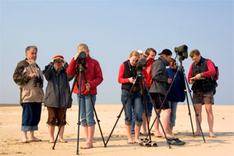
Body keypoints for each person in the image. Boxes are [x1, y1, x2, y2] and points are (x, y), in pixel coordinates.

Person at [66, 43, 103, 149]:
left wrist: (91, 84)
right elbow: (69, 72)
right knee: (83, 117)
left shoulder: (94, 62)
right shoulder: (77, 62)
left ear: (88, 51)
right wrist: (74, 59)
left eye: (84, 52)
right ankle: (87, 139)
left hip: (90, 92)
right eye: (80, 52)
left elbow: (100, 77)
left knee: (89, 116)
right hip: (79, 91)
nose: (82, 54)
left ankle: (89, 141)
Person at [13, 45, 44, 143]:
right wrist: (28, 77)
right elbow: (16, 77)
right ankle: (24, 136)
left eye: (35, 53)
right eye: (32, 53)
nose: (34, 55)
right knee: (27, 115)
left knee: (35, 116)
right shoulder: (22, 64)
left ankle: (32, 135)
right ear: (26, 54)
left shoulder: (36, 66)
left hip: (37, 96)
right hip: (27, 95)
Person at [43, 55, 73, 143]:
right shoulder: (50, 72)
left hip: (63, 99)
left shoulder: (65, 72)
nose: (58, 63)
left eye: (60, 62)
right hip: (52, 99)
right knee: (51, 118)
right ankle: (51, 137)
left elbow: (71, 75)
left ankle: (60, 137)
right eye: (56, 62)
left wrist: (66, 64)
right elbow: (46, 74)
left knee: (62, 119)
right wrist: (51, 63)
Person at [188, 49, 216, 138]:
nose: (194, 61)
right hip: (197, 90)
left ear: (199, 55)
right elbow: (189, 76)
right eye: (193, 59)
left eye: (195, 59)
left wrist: (202, 74)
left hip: (208, 89)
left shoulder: (208, 62)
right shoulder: (192, 65)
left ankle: (211, 131)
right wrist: (191, 81)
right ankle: (198, 130)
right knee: (198, 111)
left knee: (208, 110)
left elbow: (213, 71)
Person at [149, 49, 173, 138]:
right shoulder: (159, 63)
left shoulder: (160, 63)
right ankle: (165, 132)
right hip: (157, 90)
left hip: (157, 90)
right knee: (167, 110)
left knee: (158, 110)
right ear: (165, 56)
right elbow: (156, 75)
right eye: (169, 57)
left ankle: (157, 131)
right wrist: (166, 79)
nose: (170, 59)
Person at [167, 58, 185, 135]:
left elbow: (182, 85)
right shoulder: (166, 71)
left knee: (173, 114)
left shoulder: (179, 72)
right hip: (168, 95)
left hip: (176, 95)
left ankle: (171, 129)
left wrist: (183, 96)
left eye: (175, 63)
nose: (174, 65)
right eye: (172, 64)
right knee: (168, 113)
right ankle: (167, 130)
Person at [141, 48, 157, 135]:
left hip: (151, 89)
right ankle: (144, 129)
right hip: (144, 88)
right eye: (152, 55)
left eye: (154, 55)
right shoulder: (143, 63)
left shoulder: (155, 63)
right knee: (144, 110)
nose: (153, 57)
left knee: (149, 110)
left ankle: (147, 129)